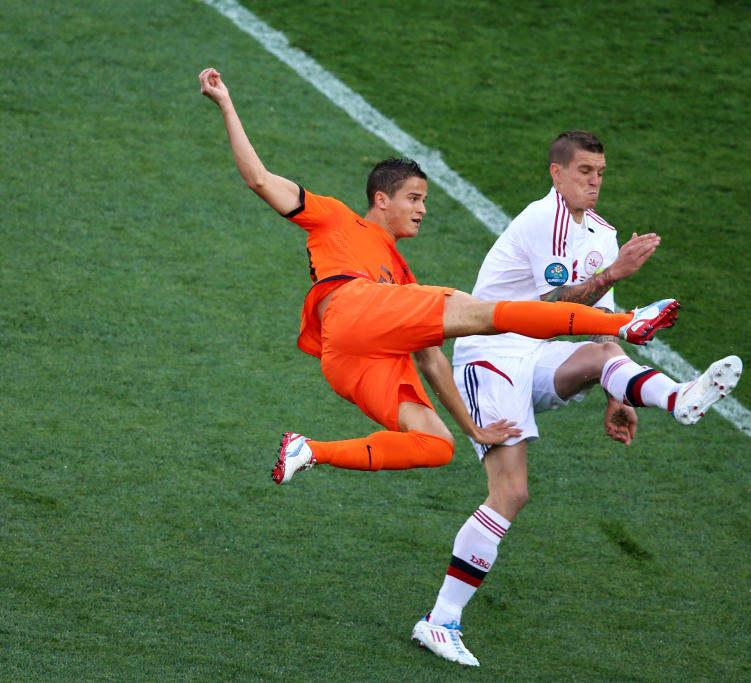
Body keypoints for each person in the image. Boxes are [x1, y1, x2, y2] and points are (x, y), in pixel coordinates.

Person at [197, 69, 681, 483]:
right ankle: (625, 324)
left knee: (436, 445)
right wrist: (226, 103)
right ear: (381, 199)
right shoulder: (336, 218)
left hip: (348, 358)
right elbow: (260, 179)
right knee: (486, 313)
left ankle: (309, 449)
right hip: (350, 307)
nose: (422, 209)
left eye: (424, 200)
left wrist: (472, 429)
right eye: (414, 198)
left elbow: (432, 362)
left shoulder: (402, 279)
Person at [411, 131, 742, 667]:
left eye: (600, 173)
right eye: (584, 171)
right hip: (489, 356)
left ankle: (678, 399)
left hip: (531, 357)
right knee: (511, 492)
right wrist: (614, 273)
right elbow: (551, 305)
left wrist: (615, 389)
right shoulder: (544, 221)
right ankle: (440, 621)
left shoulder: (602, 234)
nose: (594, 182)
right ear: (556, 174)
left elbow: (597, 325)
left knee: (598, 358)